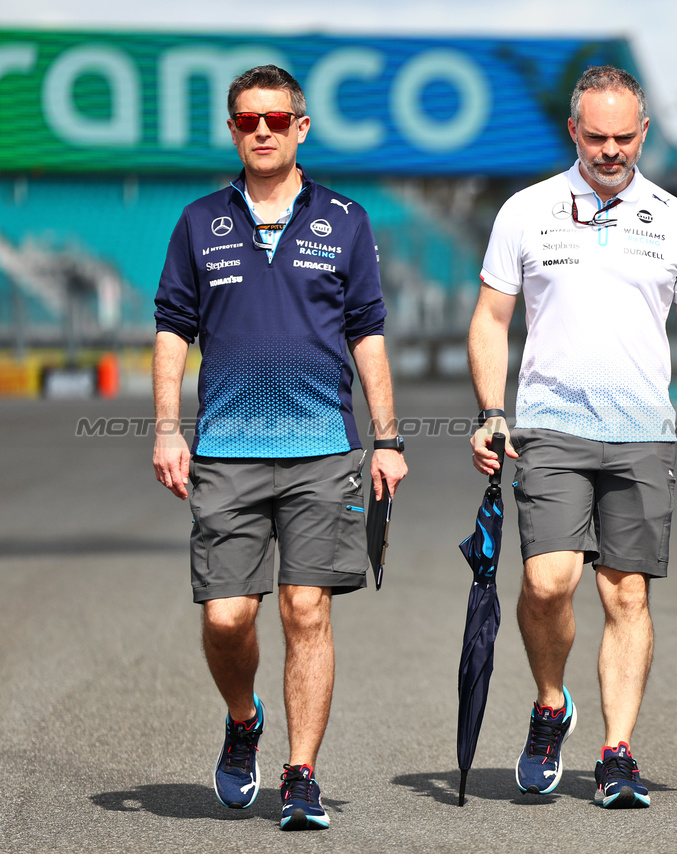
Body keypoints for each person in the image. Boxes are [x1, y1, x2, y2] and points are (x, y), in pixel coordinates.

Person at [468, 65, 677, 809]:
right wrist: (492, 409)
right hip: (551, 428)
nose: (611, 151)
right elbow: (490, 320)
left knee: (627, 594)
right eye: (596, 137)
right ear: (573, 133)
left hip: (644, 436)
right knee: (547, 582)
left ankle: (617, 752)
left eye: (625, 137)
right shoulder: (526, 210)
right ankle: (551, 705)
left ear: (643, 132)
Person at [151, 64, 407, 831]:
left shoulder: (347, 219)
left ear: (301, 128)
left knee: (306, 609)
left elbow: (367, 332)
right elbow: (172, 327)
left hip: (325, 449)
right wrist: (167, 426)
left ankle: (300, 774)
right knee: (229, 617)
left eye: (275, 118)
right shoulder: (199, 221)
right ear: (233, 130)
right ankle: (242, 720)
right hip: (226, 451)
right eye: (245, 120)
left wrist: (387, 440)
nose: (260, 130)